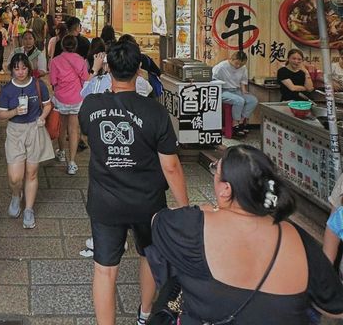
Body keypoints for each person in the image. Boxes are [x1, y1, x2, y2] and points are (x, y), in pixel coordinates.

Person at [150, 145, 343, 324]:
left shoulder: (191, 226)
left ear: (226, 189)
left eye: (215, 172)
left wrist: (207, 209)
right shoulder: (297, 238)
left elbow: (157, 220)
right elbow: (335, 309)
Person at [79, 40, 188, 325]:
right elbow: (171, 166)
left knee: (104, 270)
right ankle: (145, 314)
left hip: (105, 201)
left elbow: (89, 138)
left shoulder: (91, 106)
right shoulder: (155, 112)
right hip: (147, 201)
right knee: (148, 257)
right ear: (139, 69)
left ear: (109, 69)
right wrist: (184, 206)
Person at [0, 53, 54, 229]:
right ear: (11, 70)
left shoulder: (38, 84)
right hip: (15, 131)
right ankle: (16, 195)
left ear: (29, 68)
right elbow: (0, 115)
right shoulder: (7, 90)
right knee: (15, 177)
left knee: (32, 172)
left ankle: (29, 209)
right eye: (16, 69)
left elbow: (47, 105)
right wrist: (15, 112)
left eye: (23, 68)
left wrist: (43, 117)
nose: (20, 72)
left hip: (34, 129)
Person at [50, 35, 90, 175]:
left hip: (61, 97)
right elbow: (85, 78)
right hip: (76, 98)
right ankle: (72, 162)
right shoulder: (80, 60)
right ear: (75, 46)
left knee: (62, 127)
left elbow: (53, 81)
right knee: (74, 129)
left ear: (62, 45)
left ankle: (61, 152)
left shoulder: (55, 61)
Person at [212, 50, 258, 137]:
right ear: (232, 59)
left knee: (253, 100)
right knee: (239, 100)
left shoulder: (243, 68)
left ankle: (241, 121)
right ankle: (235, 124)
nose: (238, 66)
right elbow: (213, 79)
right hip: (222, 90)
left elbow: (243, 80)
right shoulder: (221, 66)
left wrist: (244, 91)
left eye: (241, 64)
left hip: (236, 90)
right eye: (236, 63)